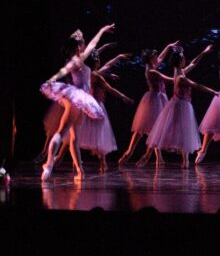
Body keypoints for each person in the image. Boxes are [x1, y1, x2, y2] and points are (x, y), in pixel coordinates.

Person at [39, 24, 115, 182]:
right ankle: (48, 165)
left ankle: (80, 172)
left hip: (80, 100)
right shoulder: (74, 60)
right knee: (62, 131)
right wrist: (52, 79)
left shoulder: (80, 58)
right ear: (79, 46)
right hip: (76, 97)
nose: (86, 45)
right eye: (83, 43)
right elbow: (64, 71)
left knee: (74, 138)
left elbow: (94, 44)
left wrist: (102, 30)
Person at [145, 45, 218, 168]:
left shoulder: (179, 71)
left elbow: (193, 63)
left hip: (181, 104)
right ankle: (181, 160)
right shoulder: (180, 77)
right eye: (184, 58)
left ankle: (184, 160)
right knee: (181, 131)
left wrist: (204, 52)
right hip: (180, 106)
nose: (186, 60)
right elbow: (197, 85)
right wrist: (213, 91)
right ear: (180, 61)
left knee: (183, 131)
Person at [118, 41, 178, 166]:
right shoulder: (152, 71)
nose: (158, 58)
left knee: (154, 129)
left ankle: (157, 157)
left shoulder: (151, 67)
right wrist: (182, 76)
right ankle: (133, 153)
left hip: (158, 98)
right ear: (151, 59)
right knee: (145, 129)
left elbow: (161, 57)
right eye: (155, 57)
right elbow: (170, 79)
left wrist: (168, 46)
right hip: (154, 100)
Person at [78, 50, 135, 173]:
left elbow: (107, 66)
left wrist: (118, 56)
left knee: (83, 133)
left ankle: (74, 161)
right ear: (96, 62)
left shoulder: (86, 73)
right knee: (100, 134)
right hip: (97, 107)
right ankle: (103, 162)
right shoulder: (97, 76)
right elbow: (111, 89)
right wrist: (124, 97)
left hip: (88, 106)